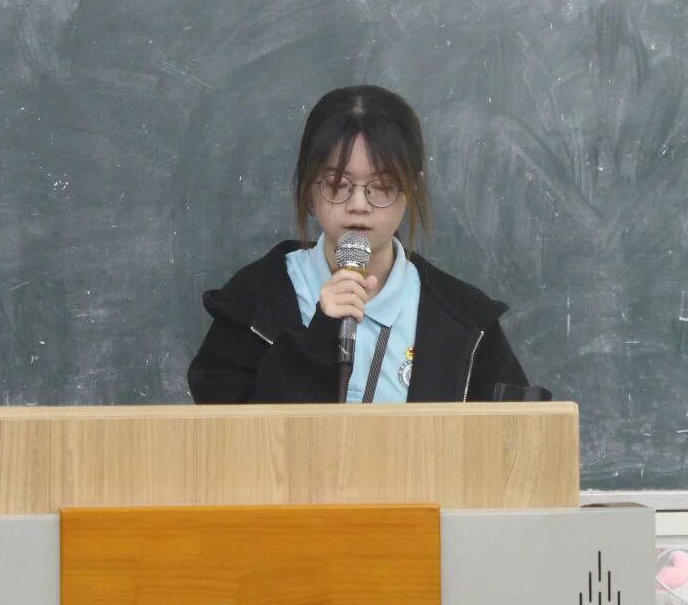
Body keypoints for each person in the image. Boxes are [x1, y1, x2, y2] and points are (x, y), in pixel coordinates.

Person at [188, 85, 543, 404]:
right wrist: (318, 338)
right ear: (309, 187)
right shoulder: (255, 301)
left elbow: (514, 437)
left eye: (382, 187)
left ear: (412, 189)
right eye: (337, 185)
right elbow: (223, 433)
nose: (358, 205)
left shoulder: (463, 320)